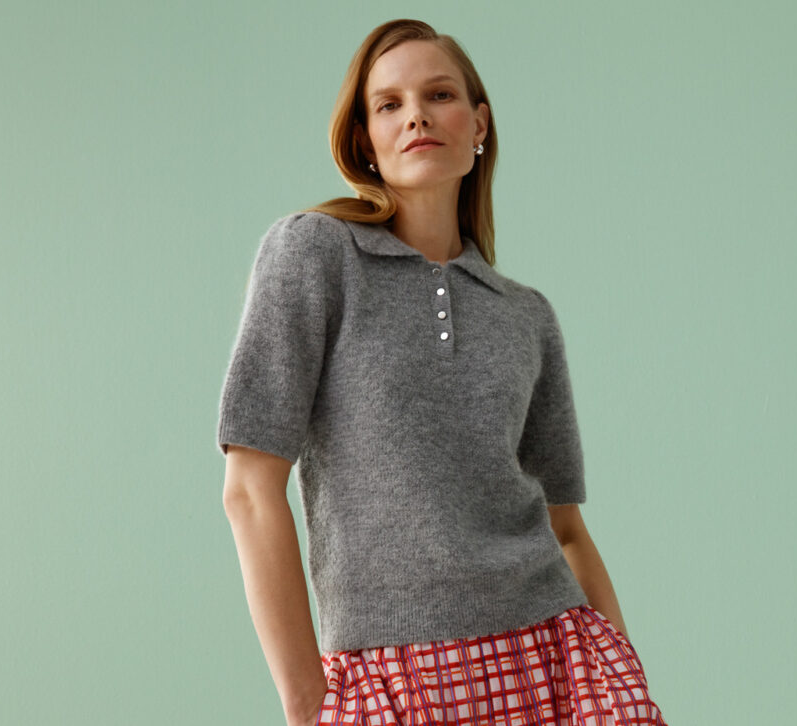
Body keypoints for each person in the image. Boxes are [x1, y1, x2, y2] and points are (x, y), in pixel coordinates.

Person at [216, 18, 668, 726]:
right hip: (391, 676)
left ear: (479, 123)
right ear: (365, 139)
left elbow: (567, 530)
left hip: (558, 658)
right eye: (389, 104)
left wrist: (624, 675)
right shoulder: (314, 256)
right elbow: (249, 490)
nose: (416, 116)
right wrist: (307, 703)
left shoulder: (526, 314)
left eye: (439, 95)